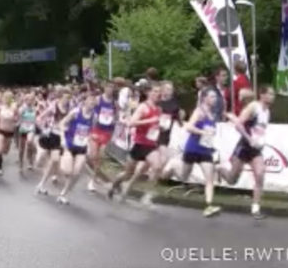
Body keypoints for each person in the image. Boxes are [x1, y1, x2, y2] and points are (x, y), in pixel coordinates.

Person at [217, 86, 275, 220]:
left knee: (260, 174)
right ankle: (220, 169)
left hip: (256, 149)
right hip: (244, 146)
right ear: (262, 95)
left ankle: (255, 209)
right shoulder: (254, 107)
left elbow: (260, 130)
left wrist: (260, 141)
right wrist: (249, 139)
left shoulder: (267, 112)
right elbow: (238, 125)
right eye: (270, 94)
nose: (273, 97)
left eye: (273, 94)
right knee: (232, 179)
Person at [162, 88, 221, 217]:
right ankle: (173, 165)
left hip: (205, 150)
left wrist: (211, 135)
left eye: (215, 97)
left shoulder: (213, 114)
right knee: (183, 176)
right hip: (193, 148)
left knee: (209, 179)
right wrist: (202, 132)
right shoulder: (199, 111)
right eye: (211, 97)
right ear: (204, 98)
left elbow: (210, 131)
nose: (214, 100)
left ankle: (208, 206)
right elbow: (188, 127)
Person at [108, 83, 163, 205]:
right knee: (128, 174)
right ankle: (115, 184)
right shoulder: (143, 107)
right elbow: (131, 123)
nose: (156, 94)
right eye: (154, 91)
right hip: (139, 144)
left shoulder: (159, 109)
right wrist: (150, 120)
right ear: (148, 93)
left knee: (158, 166)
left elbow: (156, 125)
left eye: (158, 92)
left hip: (151, 144)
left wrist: (160, 126)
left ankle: (147, 195)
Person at [55, 94, 95, 205]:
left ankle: (63, 194)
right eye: (90, 101)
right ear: (85, 101)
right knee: (67, 171)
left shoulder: (93, 116)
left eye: (94, 102)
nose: (92, 104)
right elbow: (61, 123)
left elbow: (90, 132)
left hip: (81, 147)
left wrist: (89, 145)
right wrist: (63, 138)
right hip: (69, 145)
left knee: (76, 173)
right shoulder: (76, 112)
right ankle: (57, 166)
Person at [87, 83, 115, 192]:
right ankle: (95, 172)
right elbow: (90, 111)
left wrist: (113, 121)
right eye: (108, 87)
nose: (110, 90)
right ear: (105, 88)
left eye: (112, 88)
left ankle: (92, 180)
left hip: (106, 131)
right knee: (93, 155)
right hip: (96, 129)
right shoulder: (98, 99)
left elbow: (115, 115)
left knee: (100, 157)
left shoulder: (114, 102)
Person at [0, 92, 18, 176]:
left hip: (10, 132)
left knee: (6, 151)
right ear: (3, 98)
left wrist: (15, 121)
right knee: (0, 150)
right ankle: (0, 168)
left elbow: (17, 118)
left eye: (9, 97)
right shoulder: (0, 107)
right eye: (6, 97)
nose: (7, 99)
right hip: (1, 130)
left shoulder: (14, 108)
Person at [17, 93, 37, 172]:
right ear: (25, 100)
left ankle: (30, 161)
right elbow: (18, 118)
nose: (30, 101)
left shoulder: (35, 108)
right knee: (21, 149)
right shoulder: (22, 108)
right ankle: (21, 164)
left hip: (31, 129)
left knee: (29, 142)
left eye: (31, 99)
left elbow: (37, 118)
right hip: (23, 129)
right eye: (28, 99)